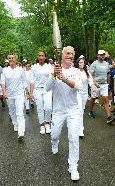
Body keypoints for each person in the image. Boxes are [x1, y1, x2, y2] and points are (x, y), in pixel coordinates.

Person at [46, 46, 82, 181]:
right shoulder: (54, 70)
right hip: (58, 110)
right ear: (62, 55)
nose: (70, 56)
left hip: (73, 109)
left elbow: (78, 86)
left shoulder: (76, 71)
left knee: (73, 138)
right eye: (67, 53)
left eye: (72, 54)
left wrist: (64, 79)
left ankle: (73, 166)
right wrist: (54, 75)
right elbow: (47, 87)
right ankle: (54, 142)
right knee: (55, 134)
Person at [1, 53, 28, 140]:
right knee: (12, 111)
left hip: (19, 94)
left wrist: (28, 92)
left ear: (16, 59)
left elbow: (24, 82)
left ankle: (21, 132)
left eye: (13, 58)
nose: (11, 59)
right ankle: (15, 123)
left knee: (19, 112)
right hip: (9, 94)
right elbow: (3, 82)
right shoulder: (5, 70)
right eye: (9, 58)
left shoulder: (20, 70)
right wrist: (4, 92)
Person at [88, 50, 114, 124]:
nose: (102, 56)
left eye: (103, 55)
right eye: (100, 55)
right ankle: (90, 111)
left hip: (104, 84)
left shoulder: (106, 64)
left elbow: (108, 74)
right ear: (97, 55)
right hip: (95, 84)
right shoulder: (94, 64)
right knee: (93, 98)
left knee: (105, 99)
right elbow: (90, 75)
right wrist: (95, 82)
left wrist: (108, 83)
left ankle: (109, 117)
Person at [29, 51, 53, 134]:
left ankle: (47, 123)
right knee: (40, 108)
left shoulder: (49, 66)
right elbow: (32, 80)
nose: (41, 57)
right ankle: (42, 125)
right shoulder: (34, 67)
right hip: (37, 89)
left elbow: (52, 79)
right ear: (37, 57)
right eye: (39, 56)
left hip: (47, 89)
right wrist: (31, 93)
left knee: (48, 107)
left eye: (42, 55)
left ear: (45, 57)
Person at [74, 56, 95, 138]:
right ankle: (80, 130)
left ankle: (77, 125)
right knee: (79, 110)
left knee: (81, 110)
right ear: (77, 63)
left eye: (82, 62)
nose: (81, 64)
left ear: (84, 63)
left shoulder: (87, 72)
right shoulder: (75, 71)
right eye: (79, 62)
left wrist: (93, 88)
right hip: (77, 93)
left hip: (84, 94)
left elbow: (91, 81)